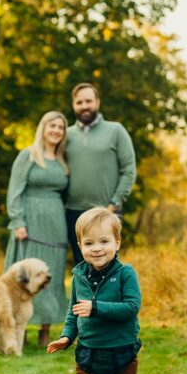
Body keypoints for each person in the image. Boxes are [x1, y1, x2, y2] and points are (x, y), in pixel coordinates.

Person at [47, 207, 142, 374]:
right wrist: (67, 337)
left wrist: (97, 307)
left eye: (104, 242)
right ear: (79, 246)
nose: (97, 249)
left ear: (117, 242)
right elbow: (73, 312)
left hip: (121, 354)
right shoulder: (78, 277)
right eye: (89, 243)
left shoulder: (125, 274)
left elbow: (131, 307)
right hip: (88, 355)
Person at [3, 110, 70, 349]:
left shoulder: (63, 161)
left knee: (52, 276)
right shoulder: (28, 156)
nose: (56, 131)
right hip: (29, 224)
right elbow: (14, 191)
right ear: (43, 128)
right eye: (52, 126)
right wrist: (18, 221)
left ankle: (46, 330)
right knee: (22, 277)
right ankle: (11, 330)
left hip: (55, 224)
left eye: (60, 127)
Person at [64, 83, 137, 266]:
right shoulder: (65, 135)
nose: (84, 106)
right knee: (81, 266)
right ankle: (83, 297)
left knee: (108, 265)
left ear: (97, 102)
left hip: (107, 210)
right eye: (79, 102)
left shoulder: (116, 130)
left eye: (89, 101)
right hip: (73, 211)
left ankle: (111, 297)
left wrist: (114, 204)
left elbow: (128, 169)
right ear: (74, 105)